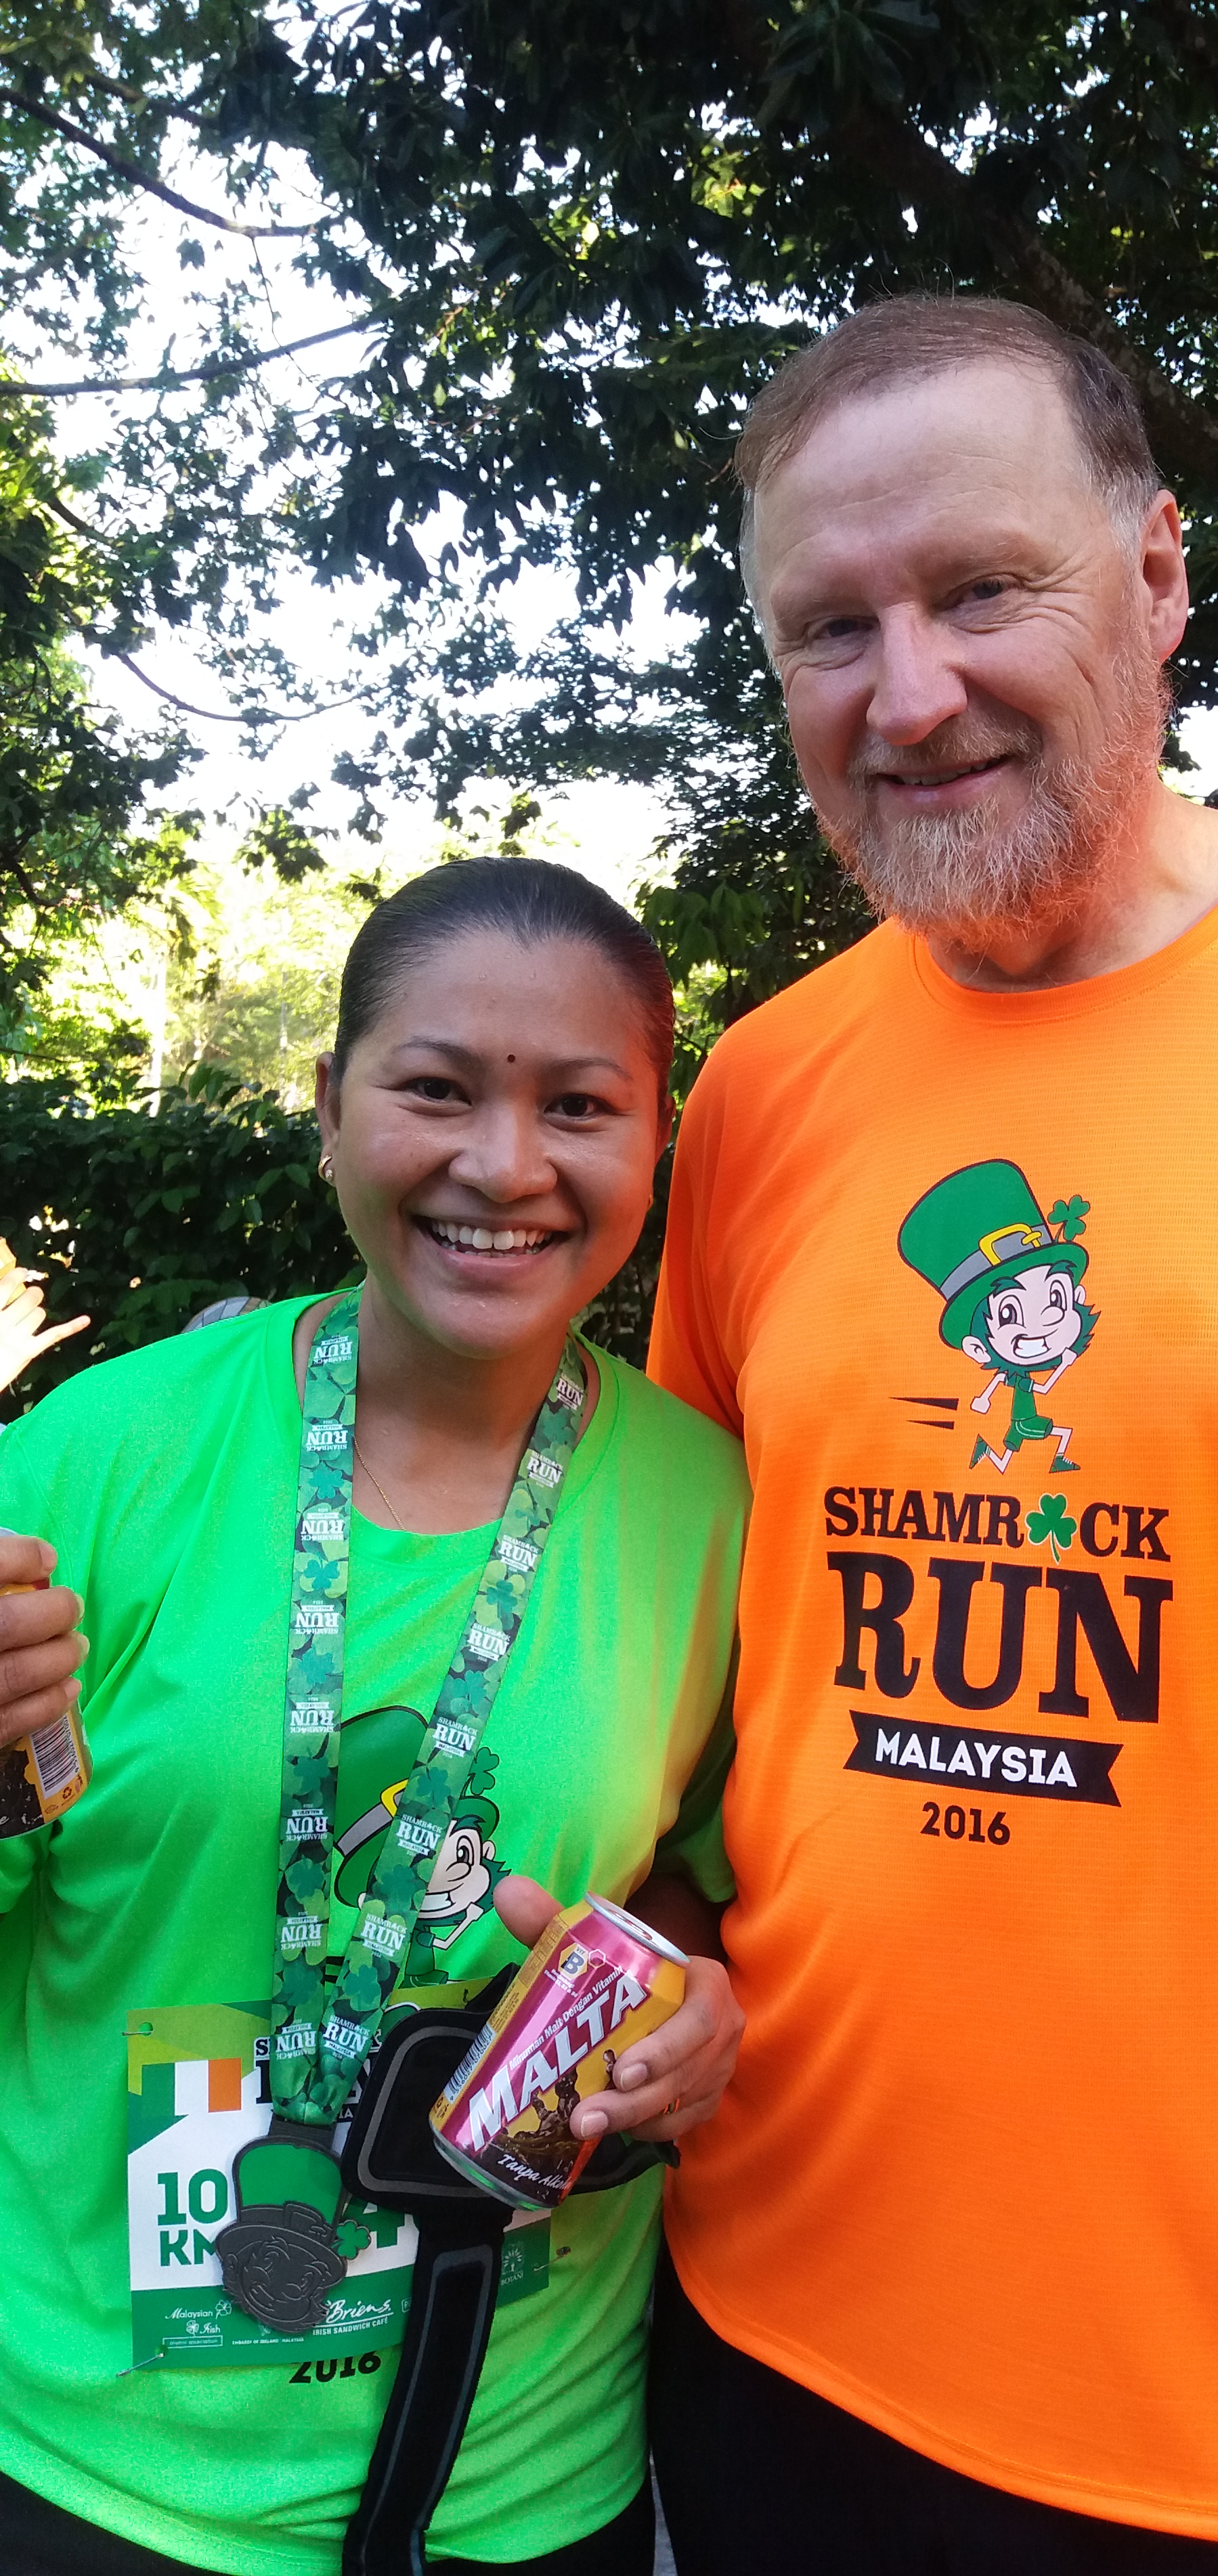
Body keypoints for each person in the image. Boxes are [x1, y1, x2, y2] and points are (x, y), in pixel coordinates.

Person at [644, 296, 1218, 2575]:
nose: (910, 690)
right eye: (831, 626)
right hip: (786, 2352)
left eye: (985, 587)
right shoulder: (759, 1090)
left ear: (1159, 576)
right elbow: (656, 1662)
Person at [0, 856, 747, 2576]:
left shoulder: (712, 1510)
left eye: (579, 1106)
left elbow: (711, 1875)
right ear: (331, 1109)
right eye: (435, 1089)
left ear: (654, 1143)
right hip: (106, 2478)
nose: (505, 1166)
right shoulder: (99, 1457)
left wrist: (697, 2008)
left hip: (523, 2480)